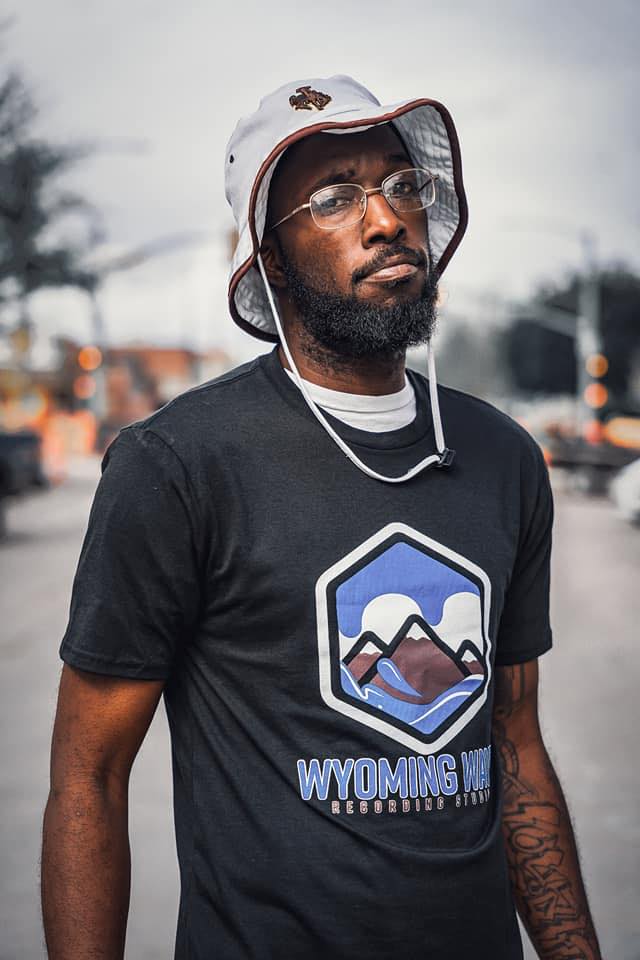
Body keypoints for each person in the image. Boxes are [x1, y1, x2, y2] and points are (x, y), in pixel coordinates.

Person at [41, 75, 602, 960]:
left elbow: (517, 748)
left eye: (401, 183)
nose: (386, 218)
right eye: (335, 196)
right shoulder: (179, 463)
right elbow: (89, 778)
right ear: (270, 257)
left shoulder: (504, 458)